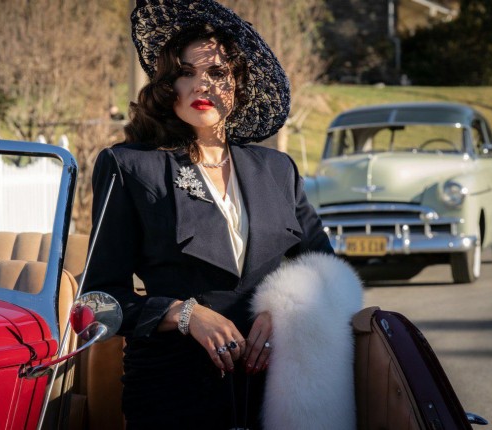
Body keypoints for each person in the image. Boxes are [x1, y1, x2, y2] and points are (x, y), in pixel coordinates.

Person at [84, 1, 333, 428]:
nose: (203, 84)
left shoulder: (278, 169)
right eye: (186, 72)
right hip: (174, 391)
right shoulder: (128, 166)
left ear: (238, 84)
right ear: (168, 86)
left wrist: (284, 310)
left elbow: (325, 269)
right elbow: (100, 300)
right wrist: (184, 314)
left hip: (278, 389)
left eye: (218, 72)